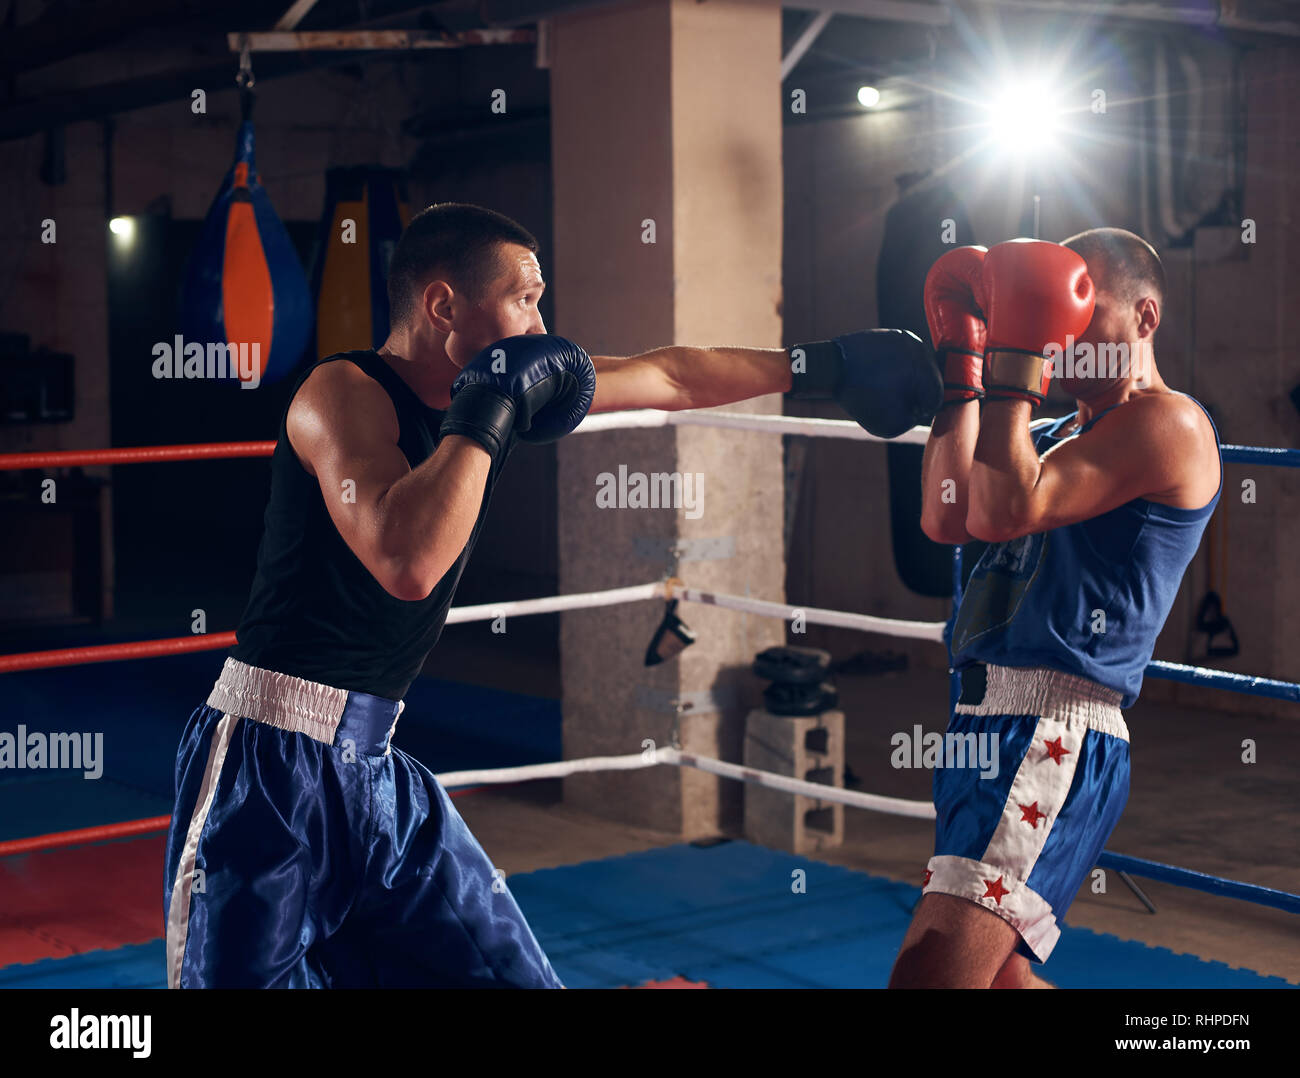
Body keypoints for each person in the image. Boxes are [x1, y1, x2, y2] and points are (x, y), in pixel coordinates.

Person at [165, 201, 941, 988]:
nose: (543, 323)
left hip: (375, 768)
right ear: (442, 305)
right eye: (524, 298)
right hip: (267, 762)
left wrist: (827, 366)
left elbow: (668, 375)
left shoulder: (497, 396)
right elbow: (407, 562)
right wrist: (489, 409)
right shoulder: (340, 393)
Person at [890, 229, 1222, 989]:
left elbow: (1010, 507)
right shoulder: (1044, 434)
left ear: (1145, 318)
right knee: (1000, 981)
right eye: (1049, 314)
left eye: (1080, 310)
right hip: (978, 726)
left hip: (1049, 736)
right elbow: (946, 514)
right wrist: (963, 371)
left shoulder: (1167, 424)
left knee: (930, 981)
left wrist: (1013, 364)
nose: (1061, 337)